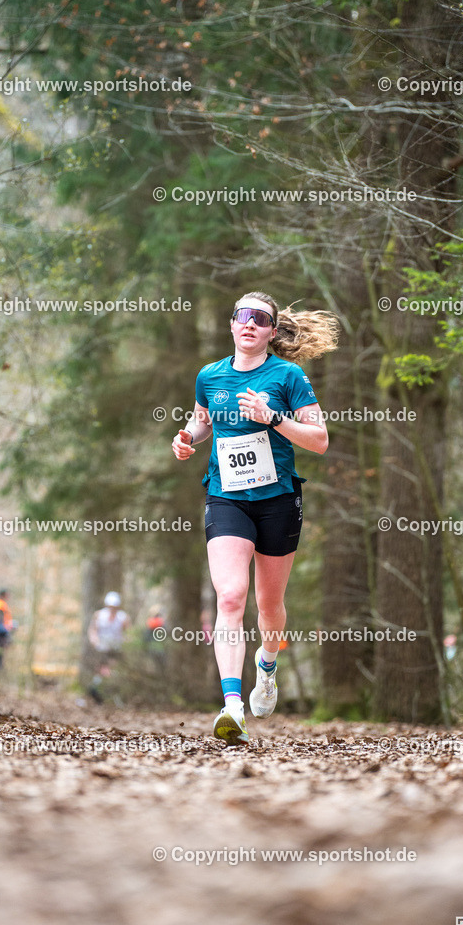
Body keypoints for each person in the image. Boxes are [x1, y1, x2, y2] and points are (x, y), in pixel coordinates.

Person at [172, 291, 338, 744]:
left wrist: (273, 418)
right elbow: (203, 420)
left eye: (260, 319)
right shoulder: (210, 375)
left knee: (269, 608)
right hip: (226, 495)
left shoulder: (289, 375)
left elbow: (320, 439)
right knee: (230, 597)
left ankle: (267, 664)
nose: (249, 324)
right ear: (231, 324)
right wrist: (187, 436)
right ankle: (232, 707)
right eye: (242, 316)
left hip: (277, 499)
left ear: (271, 330)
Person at [87, 591, 131, 702]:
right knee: (101, 669)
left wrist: (126, 641)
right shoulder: (99, 615)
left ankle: (112, 693)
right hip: (101, 647)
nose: (112, 609)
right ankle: (95, 690)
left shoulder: (123, 617)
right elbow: (92, 630)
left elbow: (129, 632)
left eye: (114, 606)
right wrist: (95, 641)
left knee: (113, 668)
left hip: (116, 648)